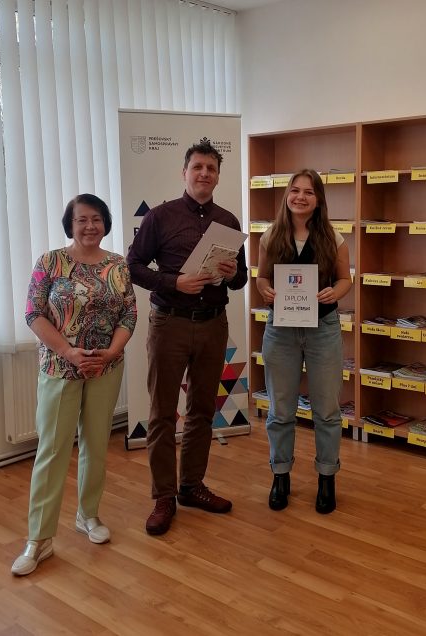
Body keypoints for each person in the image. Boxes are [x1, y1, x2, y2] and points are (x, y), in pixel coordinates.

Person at [11, 194, 137, 576]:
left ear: (105, 223)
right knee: (52, 451)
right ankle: (39, 539)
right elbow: (33, 313)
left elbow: (129, 313)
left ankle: (88, 515)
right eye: (82, 219)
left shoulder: (118, 264)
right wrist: (68, 351)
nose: (89, 226)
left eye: (96, 219)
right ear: (70, 224)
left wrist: (112, 353)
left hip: (105, 368)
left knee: (96, 444)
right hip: (59, 368)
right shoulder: (50, 262)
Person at [127, 141, 247, 535]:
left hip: (214, 324)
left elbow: (241, 280)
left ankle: (191, 486)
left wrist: (232, 274)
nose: (204, 174)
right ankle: (163, 496)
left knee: (201, 410)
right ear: (185, 173)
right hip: (170, 323)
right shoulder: (160, 216)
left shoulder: (228, 221)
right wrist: (173, 282)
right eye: (198, 167)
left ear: (218, 176)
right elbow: (133, 266)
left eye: (211, 168)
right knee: (163, 412)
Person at [256, 169, 352, 514]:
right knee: (280, 410)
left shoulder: (333, 237)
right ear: (287, 196)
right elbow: (262, 278)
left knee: (326, 410)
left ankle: (327, 477)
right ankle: (280, 475)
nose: (300, 197)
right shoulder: (271, 235)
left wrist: (334, 292)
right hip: (281, 330)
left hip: (322, 329)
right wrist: (265, 290)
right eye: (295, 190)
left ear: (318, 199)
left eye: (308, 192)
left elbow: (345, 280)